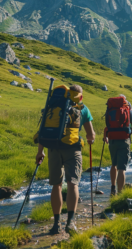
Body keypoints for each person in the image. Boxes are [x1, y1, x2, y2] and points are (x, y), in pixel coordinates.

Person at [35, 84, 95, 235]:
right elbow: (91, 134)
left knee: (56, 185)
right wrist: (90, 140)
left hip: (53, 148)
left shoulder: (53, 106)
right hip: (73, 149)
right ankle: (70, 222)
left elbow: (44, 130)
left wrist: (40, 152)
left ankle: (56, 224)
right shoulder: (82, 108)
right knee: (73, 183)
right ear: (80, 95)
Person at [104, 94, 132, 196]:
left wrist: (106, 136)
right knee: (122, 168)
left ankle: (113, 188)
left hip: (112, 139)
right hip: (124, 140)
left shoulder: (111, 108)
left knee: (114, 164)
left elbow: (107, 124)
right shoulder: (128, 108)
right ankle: (120, 193)